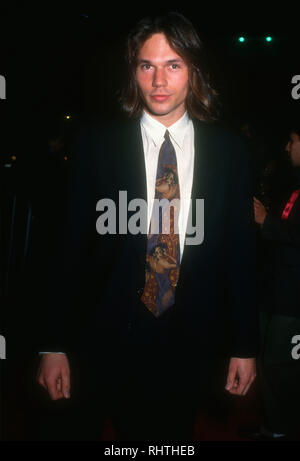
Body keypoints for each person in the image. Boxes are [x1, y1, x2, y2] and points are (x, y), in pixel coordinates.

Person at [36, 12, 258, 441]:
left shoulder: (231, 152)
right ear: (133, 72)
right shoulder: (96, 144)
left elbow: (240, 254)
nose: (159, 80)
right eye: (146, 66)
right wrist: (53, 342)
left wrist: (245, 346)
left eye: (173, 65)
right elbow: (66, 249)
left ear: (194, 71)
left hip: (190, 340)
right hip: (101, 337)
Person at [252, 128, 300, 440]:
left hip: (293, 298)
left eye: (294, 140)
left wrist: (265, 220)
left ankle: (280, 429)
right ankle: (271, 425)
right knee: (267, 363)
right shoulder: (294, 181)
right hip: (277, 289)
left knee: (280, 368)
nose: (287, 147)